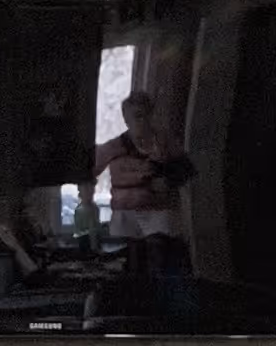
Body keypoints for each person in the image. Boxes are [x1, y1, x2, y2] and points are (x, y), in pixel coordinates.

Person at [94, 91, 195, 274]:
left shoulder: (165, 142)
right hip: (127, 217)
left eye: (147, 115)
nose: (143, 121)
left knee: (161, 263)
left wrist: (169, 180)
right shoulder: (114, 147)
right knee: (130, 266)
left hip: (160, 214)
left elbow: (187, 169)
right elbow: (89, 169)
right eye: (137, 116)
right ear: (126, 119)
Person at [72, 180, 102, 253]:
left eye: (92, 188)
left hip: (96, 244)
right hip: (85, 246)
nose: (91, 191)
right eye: (86, 188)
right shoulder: (79, 210)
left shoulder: (95, 208)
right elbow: (78, 232)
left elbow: (95, 227)